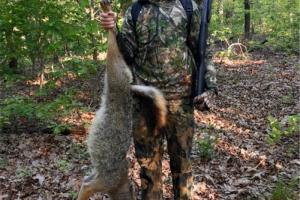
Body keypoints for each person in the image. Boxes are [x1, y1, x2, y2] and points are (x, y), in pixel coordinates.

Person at [100, 0, 217, 199]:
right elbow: (126, 54)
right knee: (148, 169)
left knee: (182, 168)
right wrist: (113, 29)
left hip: (180, 102)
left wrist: (210, 87)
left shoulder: (188, 7)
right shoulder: (135, 11)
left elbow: (203, 52)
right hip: (145, 102)